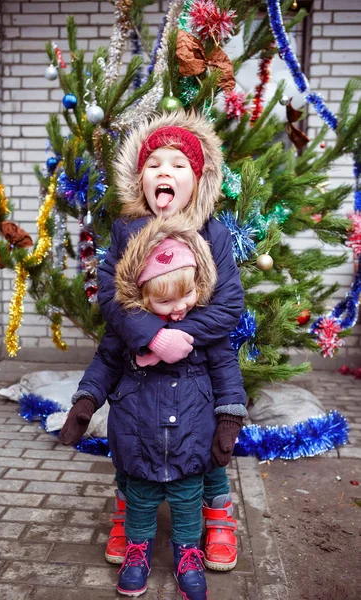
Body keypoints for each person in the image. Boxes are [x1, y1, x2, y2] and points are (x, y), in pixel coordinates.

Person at [60, 217, 247, 599]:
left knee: (186, 502)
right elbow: (105, 364)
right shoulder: (128, 332)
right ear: (143, 295)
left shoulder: (203, 331)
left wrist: (229, 417)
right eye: (165, 301)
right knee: (141, 501)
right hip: (138, 436)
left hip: (191, 439)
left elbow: (227, 372)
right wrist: (85, 402)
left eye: (186, 296)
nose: (179, 309)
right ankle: (137, 552)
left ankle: (187, 553)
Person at [95, 111, 247, 573]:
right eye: (154, 163)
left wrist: (181, 335)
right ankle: (127, 513)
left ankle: (217, 515)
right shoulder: (126, 233)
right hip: (139, 368)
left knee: (205, 444)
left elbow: (228, 305)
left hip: (196, 367)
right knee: (131, 440)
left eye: (178, 165)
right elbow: (110, 294)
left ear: (198, 180)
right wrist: (152, 336)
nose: (165, 171)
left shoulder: (214, 235)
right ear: (139, 179)